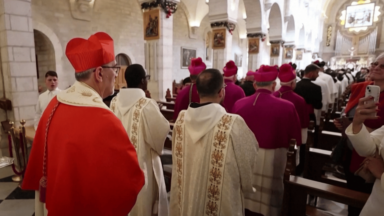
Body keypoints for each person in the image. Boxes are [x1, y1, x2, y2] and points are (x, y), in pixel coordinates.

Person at [22, 32, 144, 216]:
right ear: (100, 73)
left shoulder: (54, 105)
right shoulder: (104, 118)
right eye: (115, 68)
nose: (117, 74)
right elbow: (127, 180)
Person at [169, 68, 258, 216]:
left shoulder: (181, 120)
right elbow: (249, 156)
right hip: (220, 201)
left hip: (188, 194)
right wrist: (247, 185)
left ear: (197, 92)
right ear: (221, 92)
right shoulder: (233, 123)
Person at [232, 65, 301, 216]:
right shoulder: (287, 106)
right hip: (274, 158)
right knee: (269, 196)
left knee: (245, 195)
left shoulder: (239, 104)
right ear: (274, 84)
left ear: (255, 84)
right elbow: (296, 138)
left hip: (244, 156)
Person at [110, 64, 169, 216]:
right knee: (142, 203)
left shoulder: (114, 102)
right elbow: (160, 132)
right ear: (143, 81)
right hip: (143, 166)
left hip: (120, 163)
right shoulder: (147, 105)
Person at [334, 54, 384, 216]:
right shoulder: (360, 87)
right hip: (351, 148)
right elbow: (351, 114)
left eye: (382, 66)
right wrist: (345, 124)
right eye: (375, 63)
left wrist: (358, 126)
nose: (376, 67)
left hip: (372, 158)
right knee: (352, 194)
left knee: (365, 197)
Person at [273, 64, 309, 175]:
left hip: (274, 138)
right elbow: (303, 123)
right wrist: (302, 143)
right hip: (291, 140)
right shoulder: (299, 100)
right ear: (293, 83)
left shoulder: (273, 95)